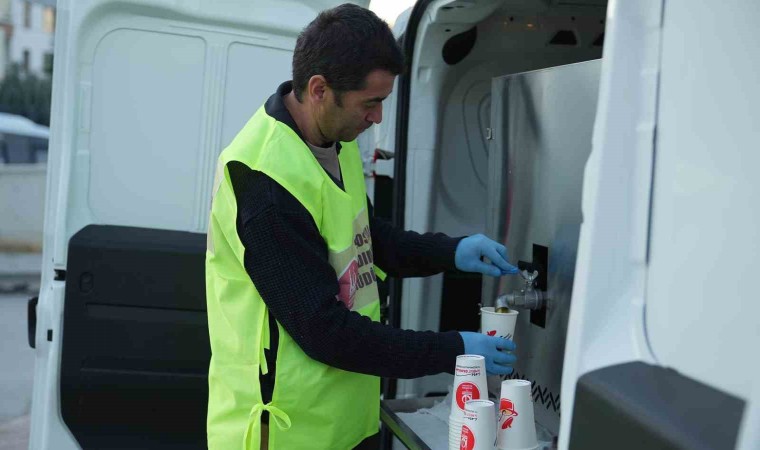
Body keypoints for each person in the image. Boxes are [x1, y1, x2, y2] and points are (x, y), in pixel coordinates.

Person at [205, 4, 518, 449]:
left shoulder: (334, 137)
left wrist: (452, 251)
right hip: (289, 432)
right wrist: (454, 348)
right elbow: (325, 332)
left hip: (346, 417)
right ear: (319, 89)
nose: (378, 118)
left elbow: (368, 238)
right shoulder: (265, 183)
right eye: (370, 103)